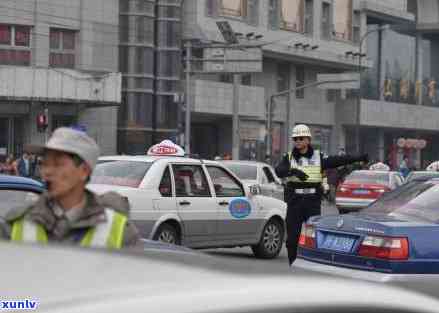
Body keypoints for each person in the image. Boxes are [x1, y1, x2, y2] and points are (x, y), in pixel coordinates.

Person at [0, 127, 140, 249]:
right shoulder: (17, 223)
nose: (47, 171)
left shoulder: (119, 229)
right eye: (45, 164)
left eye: (58, 164)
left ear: (84, 171)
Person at [275, 124, 368, 265]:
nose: (298, 141)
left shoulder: (319, 157)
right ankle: (293, 264)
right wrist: (293, 171)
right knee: (292, 238)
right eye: (295, 139)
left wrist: (358, 158)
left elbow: (338, 160)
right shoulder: (288, 158)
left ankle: (311, 265)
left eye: (301, 138)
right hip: (295, 201)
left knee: (314, 235)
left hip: (312, 201)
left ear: (308, 140)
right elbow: (279, 171)